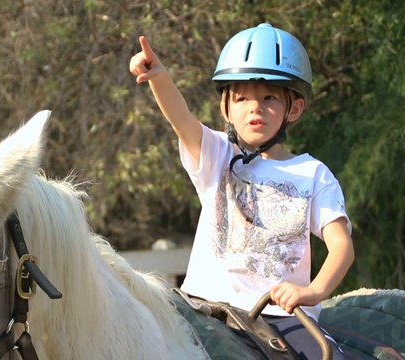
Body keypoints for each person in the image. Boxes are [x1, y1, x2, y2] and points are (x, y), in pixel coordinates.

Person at [129, 23, 355, 359]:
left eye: (268, 98)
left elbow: (342, 246)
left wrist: (312, 291)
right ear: (226, 108)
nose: (255, 107)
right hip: (201, 306)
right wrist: (160, 77)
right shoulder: (216, 154)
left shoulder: (312, 173)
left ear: (293, 108)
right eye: (242, 98)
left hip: (277, 316)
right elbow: (181, 118)